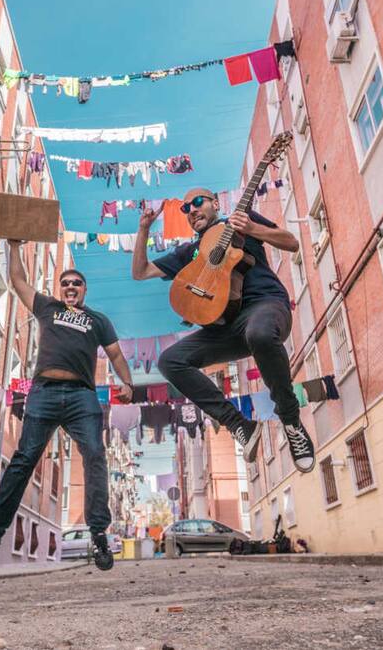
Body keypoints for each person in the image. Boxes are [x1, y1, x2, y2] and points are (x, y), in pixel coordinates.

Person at [131, 188, 317, 474]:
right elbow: (140, 272)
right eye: (185, 209)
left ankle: (291, 420)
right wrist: (144, 230)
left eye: (197, 202)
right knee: (170, 360)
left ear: (215, 204)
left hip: (265, 307)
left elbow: (291, 243)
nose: (192, 210)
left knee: (259, 333)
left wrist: (253, 228)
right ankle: (239, 424)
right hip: (225, 327)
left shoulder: (241, 220)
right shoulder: (189, 252)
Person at [0, 240, 135, 571]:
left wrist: (128, 383)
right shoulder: (48, 307)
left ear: (84, 289)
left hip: (82, 397)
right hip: (45, 392)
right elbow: (19, 282)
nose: (70, 286)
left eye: (76, 283)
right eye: (65, 283)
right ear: (59, 289)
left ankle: (98, 535)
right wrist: (15, 248)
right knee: (24, 459)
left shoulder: (97, 320)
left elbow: (117, 354)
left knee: (95, 453)